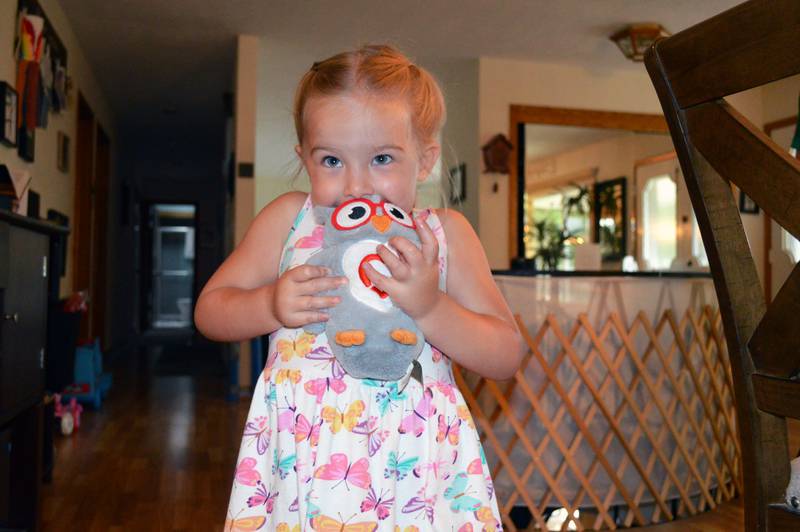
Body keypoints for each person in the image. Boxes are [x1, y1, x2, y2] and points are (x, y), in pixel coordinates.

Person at [196, 44, 526, 531]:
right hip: (303, 462)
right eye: (331, 161)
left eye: (382, 158)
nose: (355, 185)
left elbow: (505, 354)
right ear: (304, 158)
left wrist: (431, 307)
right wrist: (268, 303)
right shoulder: (289, 220)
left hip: (415, 467)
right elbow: (210, 310)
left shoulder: (445, 234)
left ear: (426, 159)